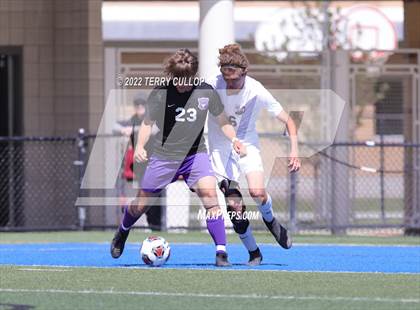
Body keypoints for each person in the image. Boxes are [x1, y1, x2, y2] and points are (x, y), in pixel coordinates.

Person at [110, 48, 244, 266]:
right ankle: (123, 231)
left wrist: (235, 139)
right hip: (165, 157)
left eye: (186, 79)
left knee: (211, 199)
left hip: (195, 155)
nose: (182, 84)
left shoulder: (205, 92)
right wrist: (141, 146)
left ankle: (221, 252)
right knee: (140, 204)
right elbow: (146, 124)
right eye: (178, 79)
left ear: (193, 76)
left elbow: (223, 121)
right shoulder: (161, 93)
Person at [207, 44, 301, 265]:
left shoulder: (256, 90)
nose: (230, 85)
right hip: (221, 148)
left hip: (247, 144)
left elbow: (289, 120)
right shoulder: (212, 83)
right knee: (234, 205)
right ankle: (254, 252)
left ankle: (270, 221)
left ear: (245, 73)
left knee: (257, 192)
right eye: (226, 80)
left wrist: (294, 151)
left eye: (235, 81)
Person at [113, 95, 162, 231]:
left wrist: (134, 129)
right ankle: (148, 223)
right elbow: (114, 126)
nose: (140, 108)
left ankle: (156, 225)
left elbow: (154, 129)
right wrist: (123, 129)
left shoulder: (153, 118)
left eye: (142, 105)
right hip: (140, 165)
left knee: (156, 196)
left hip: (156, 162)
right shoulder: (132, 120)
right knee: (144, 195)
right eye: (137, 105)